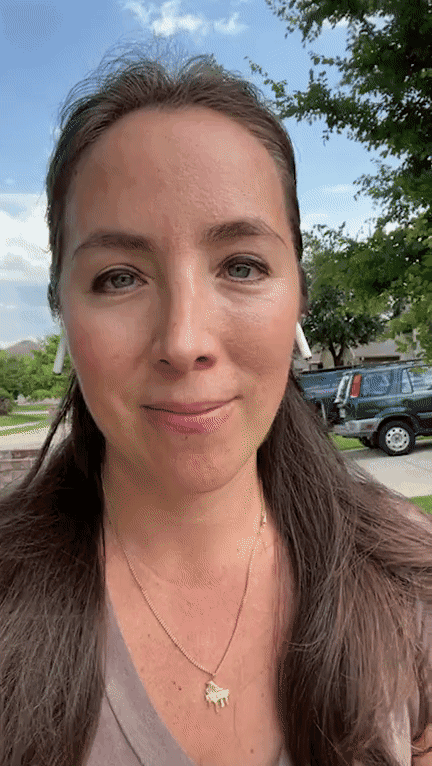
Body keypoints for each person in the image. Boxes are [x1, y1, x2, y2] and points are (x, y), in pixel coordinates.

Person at [0, 49, 431, 766]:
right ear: (62, 314)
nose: (184, 342)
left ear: (298, 296)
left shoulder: (410, 581)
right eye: (119, 277)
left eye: (241, 265)